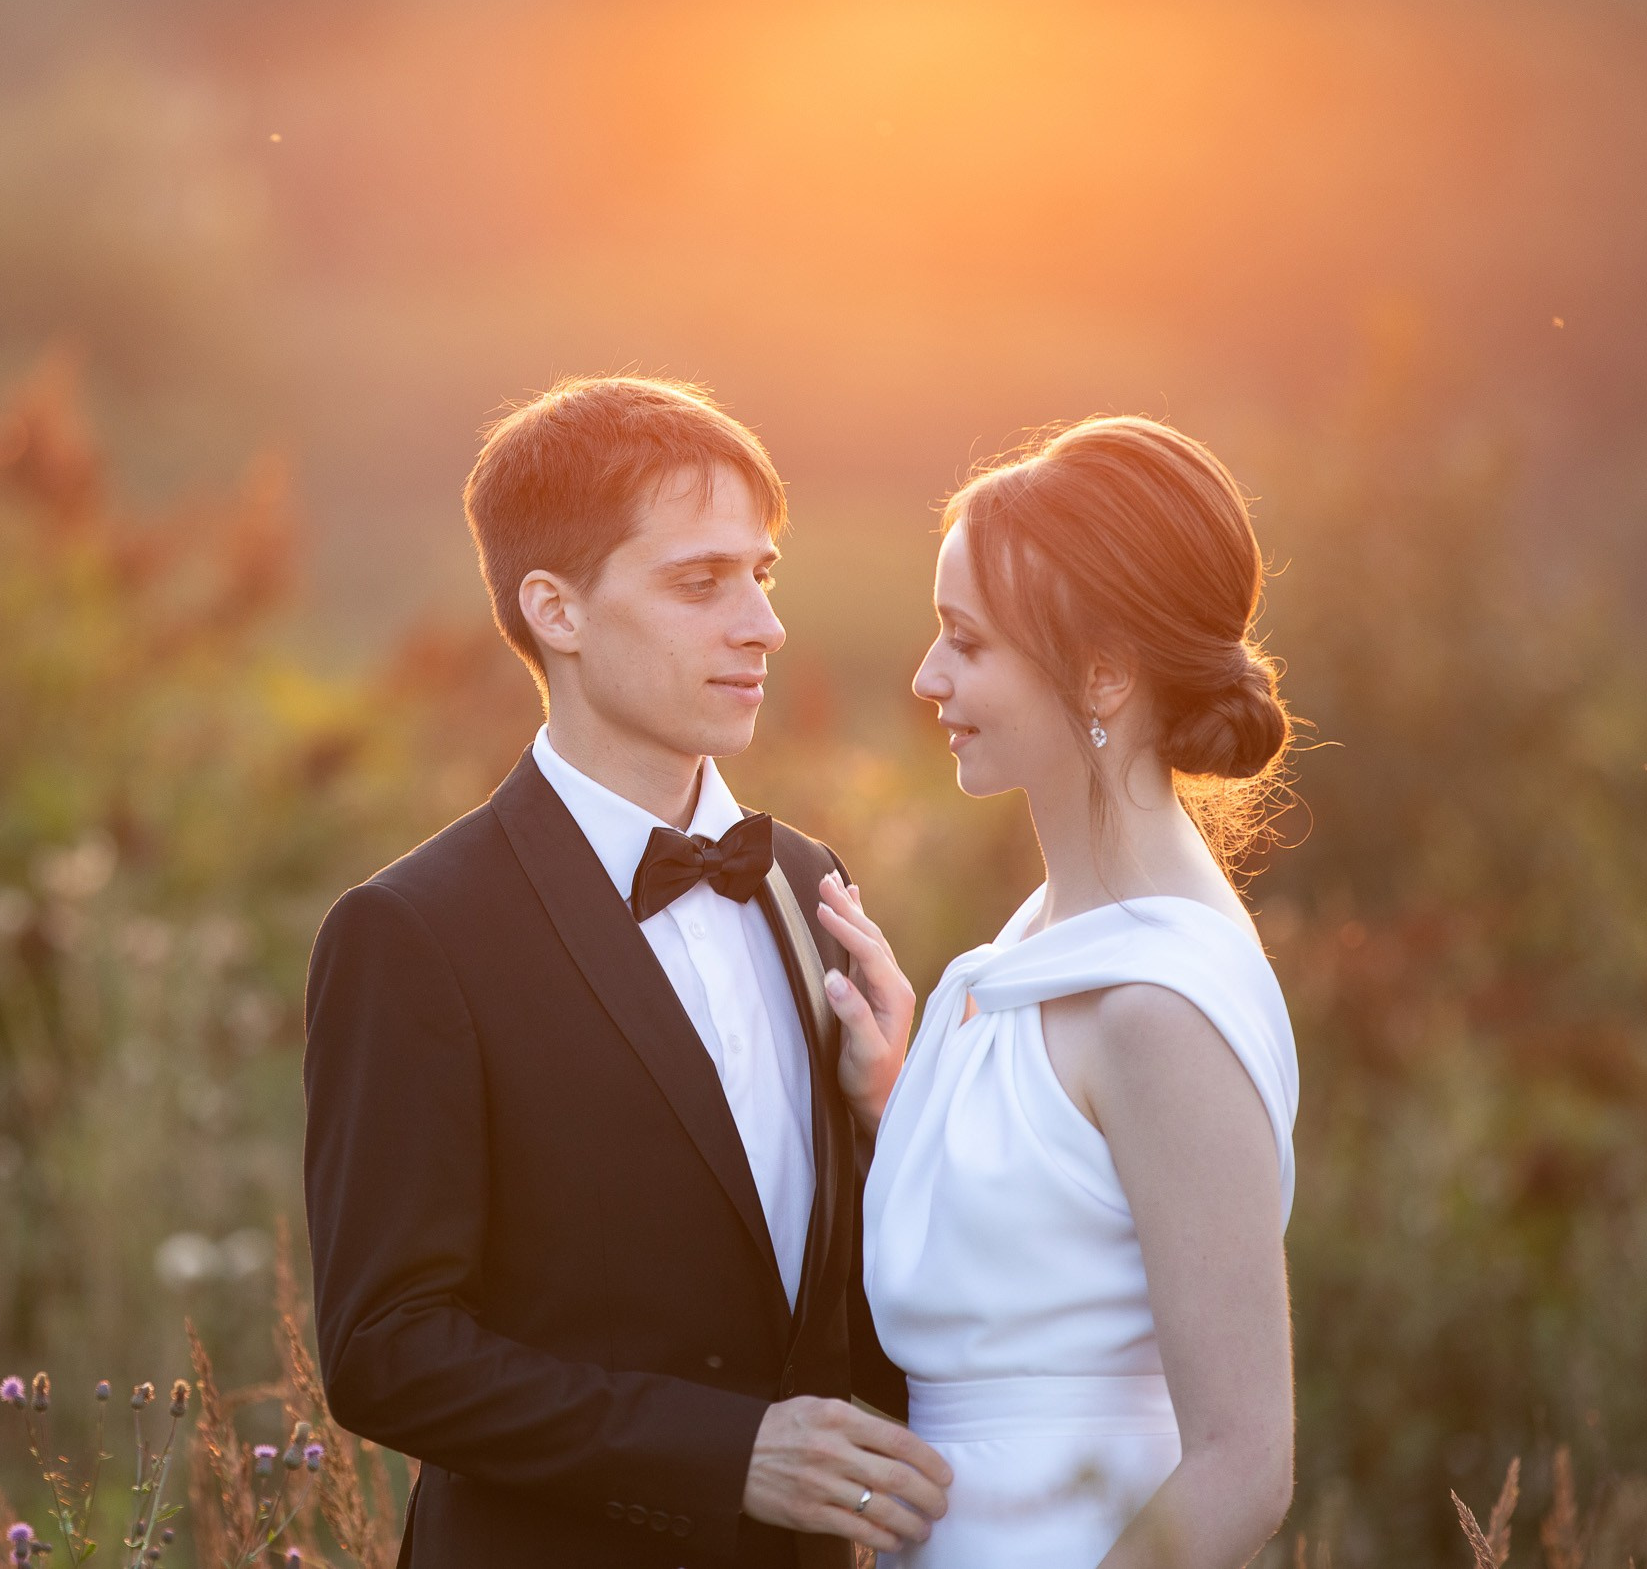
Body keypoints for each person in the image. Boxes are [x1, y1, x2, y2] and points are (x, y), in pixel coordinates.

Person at [302, 376, 950, 1568]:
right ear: (555, 607)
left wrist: (889, 1115)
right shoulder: (412, 930)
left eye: (762, 574)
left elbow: (835, 1310)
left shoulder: (810, 885)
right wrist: (722, 1452)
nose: (761, 624)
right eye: (700, 582)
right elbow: (386, 1351)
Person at [812, 416, 1300, 1567]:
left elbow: (1244, 1460)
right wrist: (908, 1105)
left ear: (1104, 672)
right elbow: (1055, 1256)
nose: (927, 677)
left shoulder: (1156, 1007)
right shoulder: (1036, 942)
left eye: (966, 643)